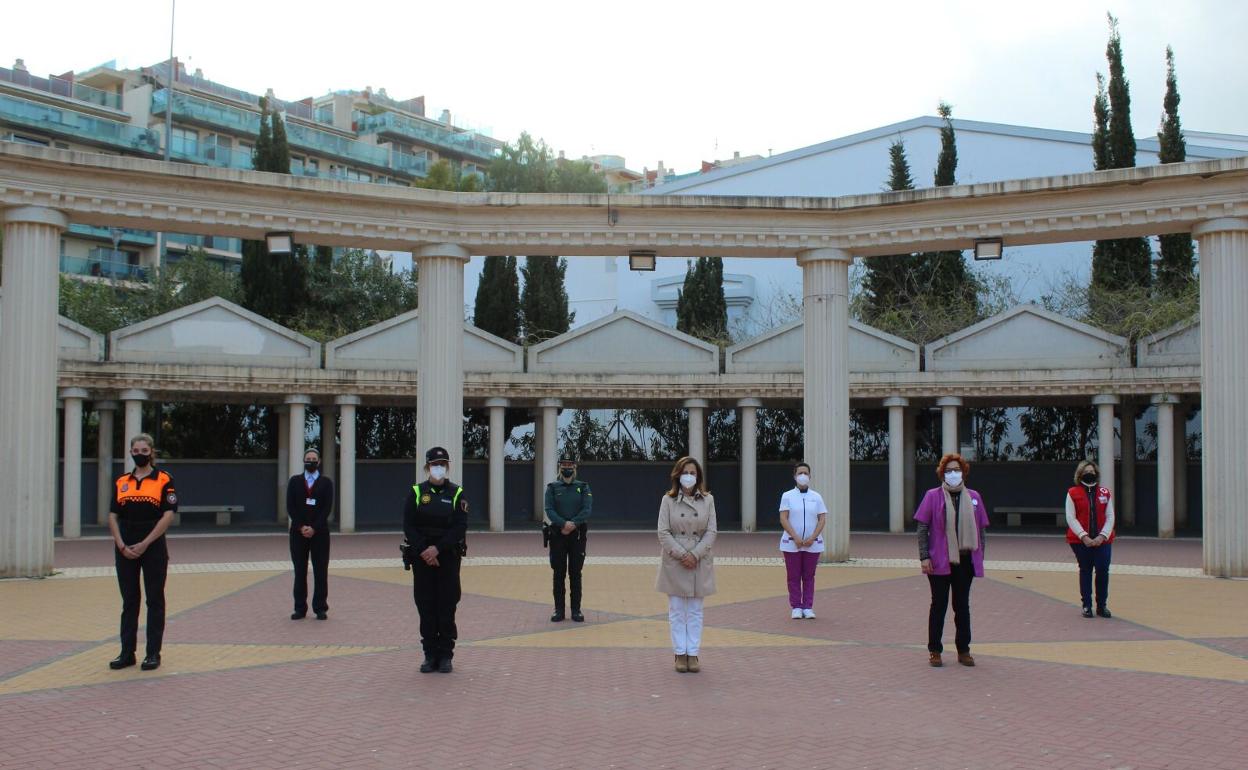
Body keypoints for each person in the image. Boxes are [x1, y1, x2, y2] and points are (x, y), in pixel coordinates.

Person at [107, 434, 177, 671]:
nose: (139, 454)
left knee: (154, 599)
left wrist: (146, 543)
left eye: (144, 450)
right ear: (130, 452)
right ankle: (127, 653)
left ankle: (152, 654)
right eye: (135, 450)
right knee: (129, 601)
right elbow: (113, 515)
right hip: (125, 547)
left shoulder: (164, 479)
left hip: (153, 546)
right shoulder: (121, 482)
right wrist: (121, 544)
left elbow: (168, 515)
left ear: (151, 452)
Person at [914, 453, 989, 668]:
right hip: (939, 561)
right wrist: (924, 556)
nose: (953, 474)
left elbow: (981, 530)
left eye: (957, 470)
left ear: (963, 472)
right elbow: (922, 528)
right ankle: (935, 650)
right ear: (942, 473)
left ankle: (963, 650)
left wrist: (980, 556)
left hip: (965, 561)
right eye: (949, 470)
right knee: (938, 605)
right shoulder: (932, 496)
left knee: (962, 606)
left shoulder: (974, 497)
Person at [402, 446, 468, 674]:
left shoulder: (457, 493)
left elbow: (460, 527)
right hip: (422, 559)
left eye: (442, 464)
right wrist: (424, 550)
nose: (438, 468)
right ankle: (430, 655)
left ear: (447, 467)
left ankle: (446, 656)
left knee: (447, 606)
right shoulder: (417, 492)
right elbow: (408, 525)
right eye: (434, 464)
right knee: (426, 606)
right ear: (427, 467)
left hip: (447, 557)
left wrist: (437, 549)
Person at [656, 456, 717, 674]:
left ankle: (693, 653)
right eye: (685, 472)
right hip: (675, 559)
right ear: (677, 475)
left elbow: (711, 531)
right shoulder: (668, 500)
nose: (689, 476)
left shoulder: (708, 500)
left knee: (695, 610)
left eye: (693, 473)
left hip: (699, 560)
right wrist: (682, 554)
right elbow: (663, 531)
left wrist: (696, 554)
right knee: (676, 610)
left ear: (698, 476)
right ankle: (679, 653)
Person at [286, 448, 335, 620]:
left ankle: (320, 607)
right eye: (308, 458)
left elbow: (327, 508)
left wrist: (314, 527)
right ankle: (300, 608)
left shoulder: (326, 483)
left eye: (314, 459)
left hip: (320, 533)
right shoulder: (294, 481)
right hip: (298, 534)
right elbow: (290, 507)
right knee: (300, 571)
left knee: (321, 571)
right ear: (303, 461)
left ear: (319, 461)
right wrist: (301, 527)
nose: (311, 461)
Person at [1065, 459, 1116, 618]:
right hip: (1081, 542)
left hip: (1103, 541)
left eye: (1092, 472)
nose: (1090, 474)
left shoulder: (1105, 493)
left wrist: (1102, 536)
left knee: (1102, 571)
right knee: (1085, 570)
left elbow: (1110, 516)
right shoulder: (1072, 493)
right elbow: (1071, 518)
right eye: (1086, 472)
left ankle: (1102, 606)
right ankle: (1087, 605)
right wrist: (1084, 536)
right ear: (1080, 475)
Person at [544, 456, 593, 622]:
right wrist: (563, 524)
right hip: (558, 535)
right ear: (559, 467)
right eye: (564, 465)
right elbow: (549, 509)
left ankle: (576, 610)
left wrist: (573, 524)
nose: (567, 467)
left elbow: (587, 509)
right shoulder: (552, 487)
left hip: (577, 535)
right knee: (558, 573)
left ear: (574, 467)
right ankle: (559, 610)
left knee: (575, 573)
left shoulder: (583, 487)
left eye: (569, 465)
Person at [778, 462, 827, 619]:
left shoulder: (816, 497)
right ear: (794, 476)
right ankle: (796, 606)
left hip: (812, 544)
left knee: (809, 576)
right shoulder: (787, 496)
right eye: (800, 473)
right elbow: (783, 518)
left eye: (806, 473)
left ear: (810, 476)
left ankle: (807, 606)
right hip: (792, 543)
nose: (803, 476)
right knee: (793, 575)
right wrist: (795, 537)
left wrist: (812, 538)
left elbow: (822, 519)